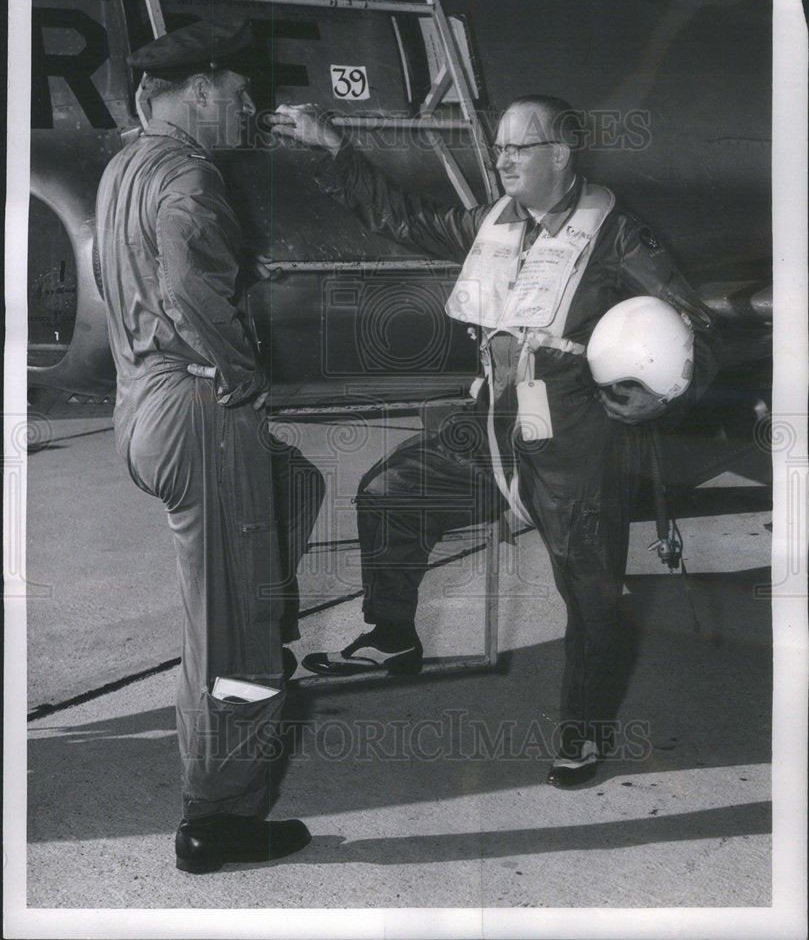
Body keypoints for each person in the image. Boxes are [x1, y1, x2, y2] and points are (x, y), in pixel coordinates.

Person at [269, 95, 720, 787]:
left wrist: (660, 393)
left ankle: (583, 729)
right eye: (500, 147)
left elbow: (693, 330)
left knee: (589, 590)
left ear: (560, 156)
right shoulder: (493, 223)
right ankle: (392, 636)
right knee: (390, 493)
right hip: (492, 427)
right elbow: (404, 219)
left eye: (519, 147)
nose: (502, 158)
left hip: (572, 439)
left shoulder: (621, 235)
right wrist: (335, 149)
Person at [95, 19, 320, 872]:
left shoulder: (127, 165)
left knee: (294, 488)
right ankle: (217, 819)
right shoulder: (189, 171)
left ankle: (259, 600)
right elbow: (189, 278)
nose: (250, 108)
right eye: (239, 94)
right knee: (235, 637)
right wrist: (240, 368)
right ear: (199, 88)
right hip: (198, 408)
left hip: (143, 410)